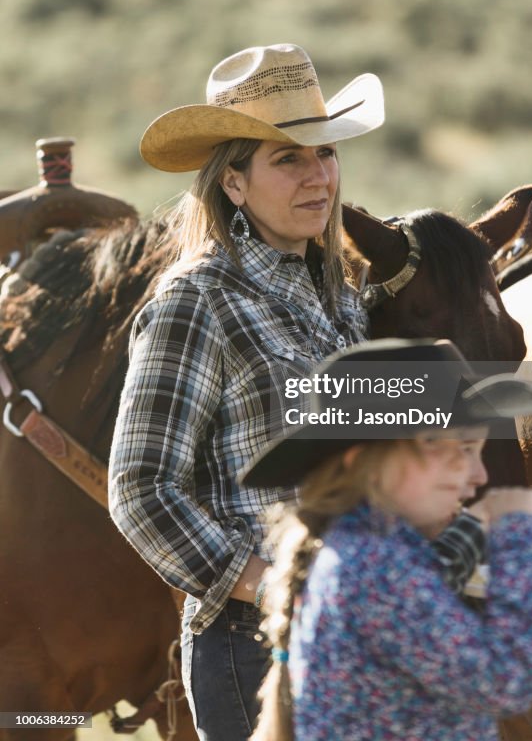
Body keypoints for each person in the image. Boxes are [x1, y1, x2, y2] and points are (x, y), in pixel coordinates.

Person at [108, 43, 385, 741]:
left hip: (361, 627)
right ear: (233, 184)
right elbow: (140, 488)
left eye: (324, 153)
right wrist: (270, 584)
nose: (318, 176)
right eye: (287, 159)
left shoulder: (345, 303)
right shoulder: (196, 302)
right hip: (252, 644)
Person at [240, 338, 532, 741]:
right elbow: (504, 682)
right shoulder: (376, 565)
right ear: (364, 463)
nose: (479, 476)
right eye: (457, 448)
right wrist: (515, 537)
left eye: (477, 450)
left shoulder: (364, 551)